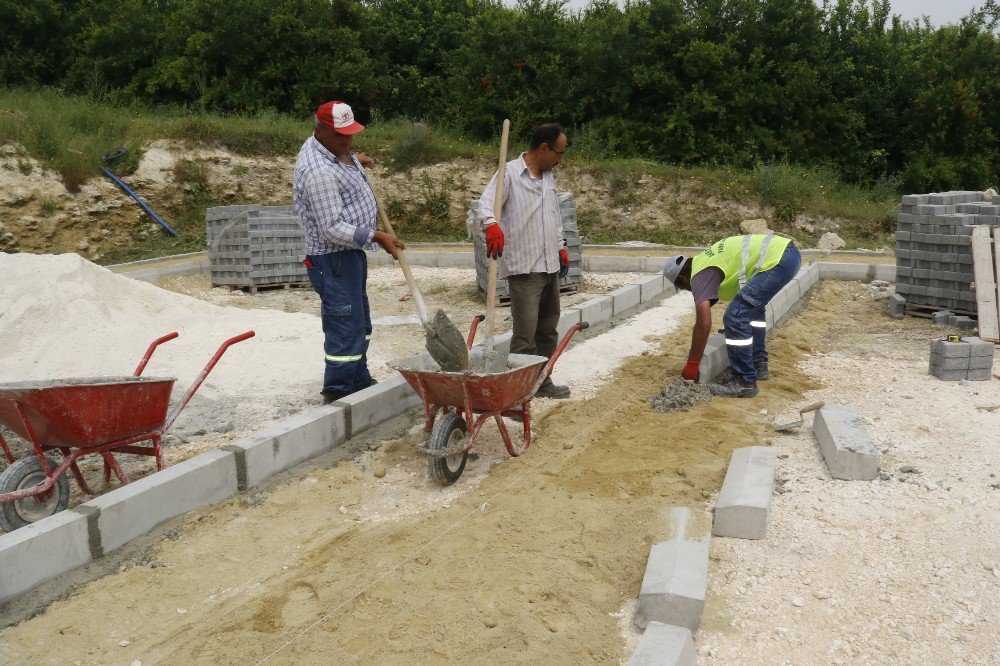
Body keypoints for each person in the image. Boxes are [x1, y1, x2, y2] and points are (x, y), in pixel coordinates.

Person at [293, 100, 405, 404]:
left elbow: (340, 152)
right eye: (341, 137)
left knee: (359, 323)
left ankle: (358, 379)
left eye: (351, 135)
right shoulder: (318, 172)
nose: (348, 141)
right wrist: (377, 236)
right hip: (333, 260)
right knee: (344, 325)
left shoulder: (334, 152)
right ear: (320, 130)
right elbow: (332, 228)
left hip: (348, 257)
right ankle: (339, 393)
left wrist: (354, 158)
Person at [477, 123, 572, 399]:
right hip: (525, 268)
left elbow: (552, 215)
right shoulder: (508, 174)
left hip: (549, 265)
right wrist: (491, 225)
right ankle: (518, 392)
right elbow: (485, 207)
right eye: (558, 153)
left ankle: (541, 382)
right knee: (525, 335)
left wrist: (560, 246)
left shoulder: (548, 177)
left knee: (547, 330)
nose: (560, 160)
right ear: (544, 148)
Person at [662, 234, 801, 398]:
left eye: (685, 288)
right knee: (752, 309)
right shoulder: (705, 261)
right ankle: (758, 364)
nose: (690, 291)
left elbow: (704, 324)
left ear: (682, 279)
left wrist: (692, 364)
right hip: (788, 255)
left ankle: (744, 382)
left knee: (734, 317)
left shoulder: (699, 275)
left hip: (778, 260)